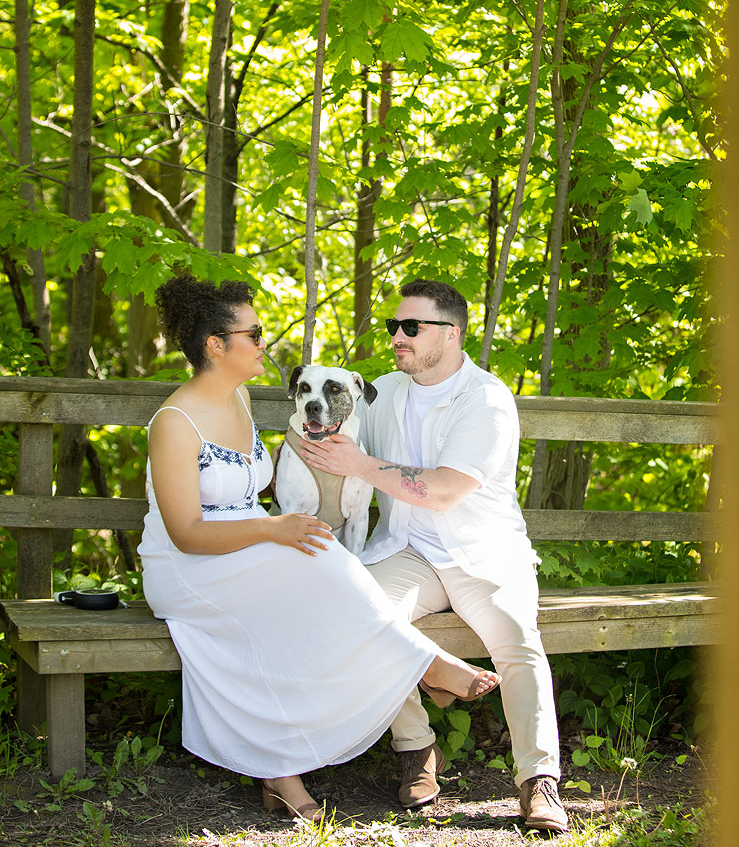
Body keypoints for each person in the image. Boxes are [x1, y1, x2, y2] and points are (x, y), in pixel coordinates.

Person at [138, 274, 500, 823]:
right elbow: (187, 531)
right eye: (254, 334)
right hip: (190, 565)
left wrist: (278, 529)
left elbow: (251, 497)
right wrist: (273, 530)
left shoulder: (236, 398)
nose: (265, 343)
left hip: (244, 549)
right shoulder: (172, 422)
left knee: (322, 556)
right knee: (314, 559)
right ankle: (423, 667)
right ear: (216, 344)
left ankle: (283, 770)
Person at [301, 278, 568, 833]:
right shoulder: (384, 392)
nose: (397, 337)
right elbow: (329, 428)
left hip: (483, 557)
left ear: (451, 335)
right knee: (355, 617)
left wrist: (361, 467)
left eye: (411, 327)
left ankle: (538, 782)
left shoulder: (485, 398)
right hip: (407, 551)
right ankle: (417, 747)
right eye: (394, 327)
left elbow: (445, 490)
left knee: (518, 641)